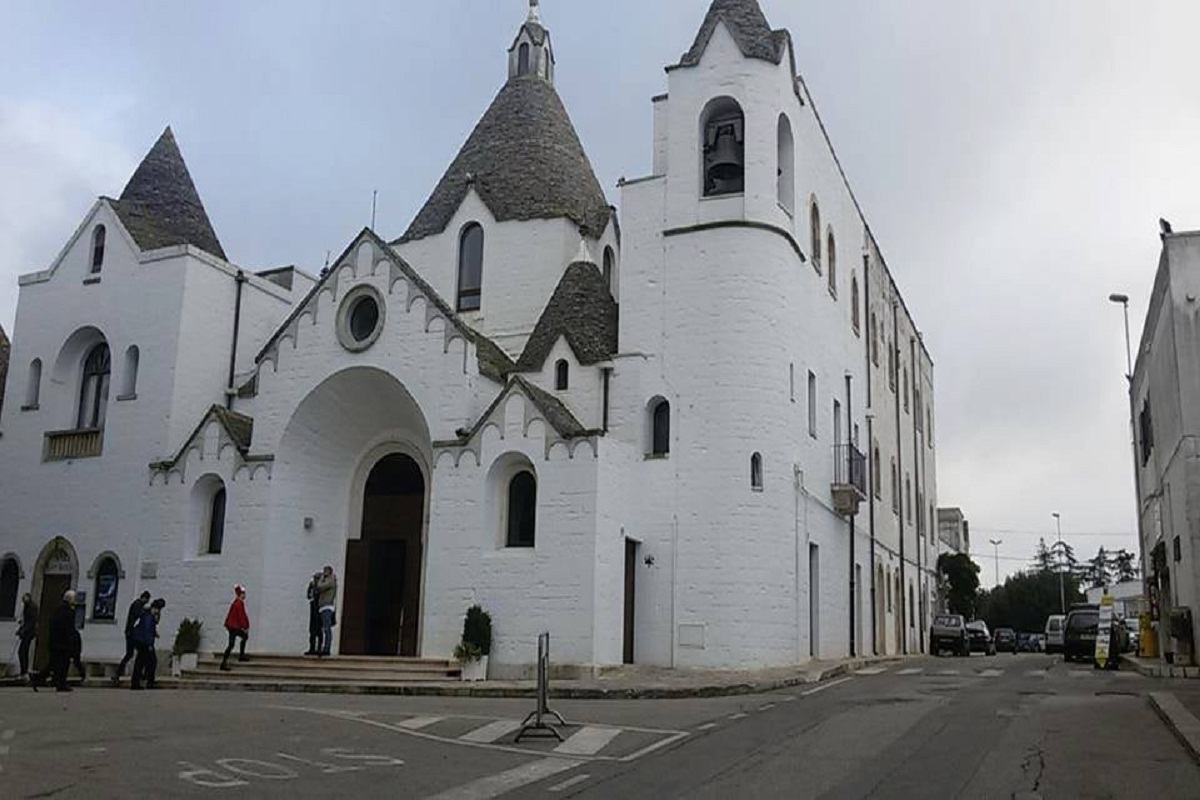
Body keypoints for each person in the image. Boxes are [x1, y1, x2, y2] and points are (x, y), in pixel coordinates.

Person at [113, 591, 151, 685]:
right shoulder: (137, 604)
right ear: (144, 598)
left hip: (131, 633)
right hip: (131, 634)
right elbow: (137, 615)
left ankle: (122, 674)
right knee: (135, 653)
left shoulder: (137, 604)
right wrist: (146, 610)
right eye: (147, 600)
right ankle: (119, 674)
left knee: (133, 654)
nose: (146, 602)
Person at [43, 590, 77, 693]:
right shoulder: (69, 612)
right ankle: (61, 683)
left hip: (54, 642)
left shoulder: (57, 610)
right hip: (64, 643)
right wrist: (71, 641)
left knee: (54, 664)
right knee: (63, 664)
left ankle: (41, 679)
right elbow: (69, 629)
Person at [130, 598, 165, 690]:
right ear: (155, 608)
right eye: (159, 609)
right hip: (143, 641)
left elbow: (152, 627)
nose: (159, 612)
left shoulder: (148, 614)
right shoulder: (149, 616)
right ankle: (147, 682)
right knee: (151, 661)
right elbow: (147, 631)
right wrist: (150, 645)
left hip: (139, 639)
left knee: (142, 661)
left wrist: (155, 632)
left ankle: (139, 682)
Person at [219, 585, 250, 671]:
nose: (245, 595)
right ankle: (224, 663)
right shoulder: (238, 604)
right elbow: (241, 616)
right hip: (233, 627)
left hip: (233, 626)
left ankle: (241, 656)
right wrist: (245, 627)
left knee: (244, 637)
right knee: (231, 644)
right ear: (240, 594)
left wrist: (245, 626)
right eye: (243, 593)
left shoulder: (237, 603)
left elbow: (242, 616)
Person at [315, 566, 337, 656]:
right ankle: (321, 647)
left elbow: (320, 586)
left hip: (327, 607)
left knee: (327, 629)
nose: (324, 573)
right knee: (323, 628)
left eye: (325, 571)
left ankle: (326, 648)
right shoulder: (327, 580)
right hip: (323, 607)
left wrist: (320, 578)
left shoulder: (331, 580)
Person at [16, 593, 38, 682]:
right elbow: (25, 621)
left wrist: (23, 630)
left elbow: (31, 622)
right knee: (23, 652)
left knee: (22, 651)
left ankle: (24, 672)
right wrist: (20, 629)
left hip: (28, 633)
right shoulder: (27, 606)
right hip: (27, 632)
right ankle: (23, 672)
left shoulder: (32, 607)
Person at [305, 573, 321, 656]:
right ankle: (312, 648)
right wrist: (310, 587)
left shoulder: (321, 587)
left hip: (319, 609)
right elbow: (308, 596)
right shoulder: (313, 587)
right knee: (312, 631)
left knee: (319, 631)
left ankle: (319, 648)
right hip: (313, 608)